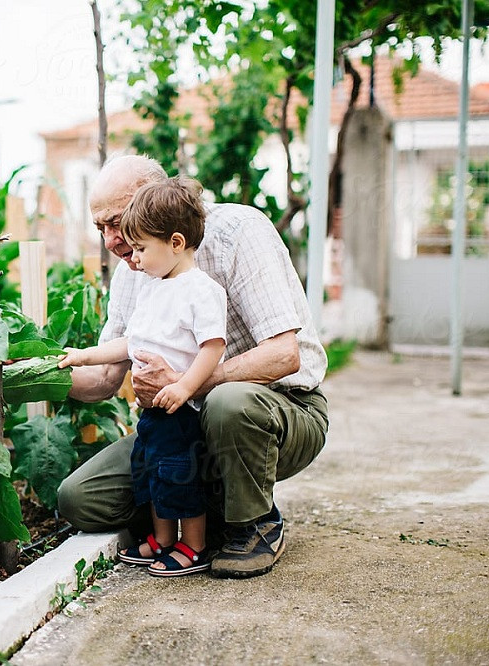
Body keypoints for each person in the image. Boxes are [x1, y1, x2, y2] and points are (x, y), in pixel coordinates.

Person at [57, 155, 329, 579]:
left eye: (116, 222)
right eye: (100, 229)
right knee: (80, 499)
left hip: (280, 411)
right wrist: (35, 370)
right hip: (182, 422)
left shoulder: (238, 232)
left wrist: (187, 384)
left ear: (153, 200)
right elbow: (105, 377)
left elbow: (283, 355)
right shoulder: (134, 269)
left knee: (228, 403)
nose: (110, 241)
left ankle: (254, 524)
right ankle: (201, 511)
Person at [58, 176, 226, 577]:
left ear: (176, 243)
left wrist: (184, 386)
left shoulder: (201, 290)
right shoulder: (153, 286)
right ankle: (163, 539)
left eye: (141, 249)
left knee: (180, 477)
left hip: (182, 410)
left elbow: (213, 347)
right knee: (150, 475)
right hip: (151, 412)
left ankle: (195, 545)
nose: (133, 259)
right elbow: (130, 343)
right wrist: (82, 356)